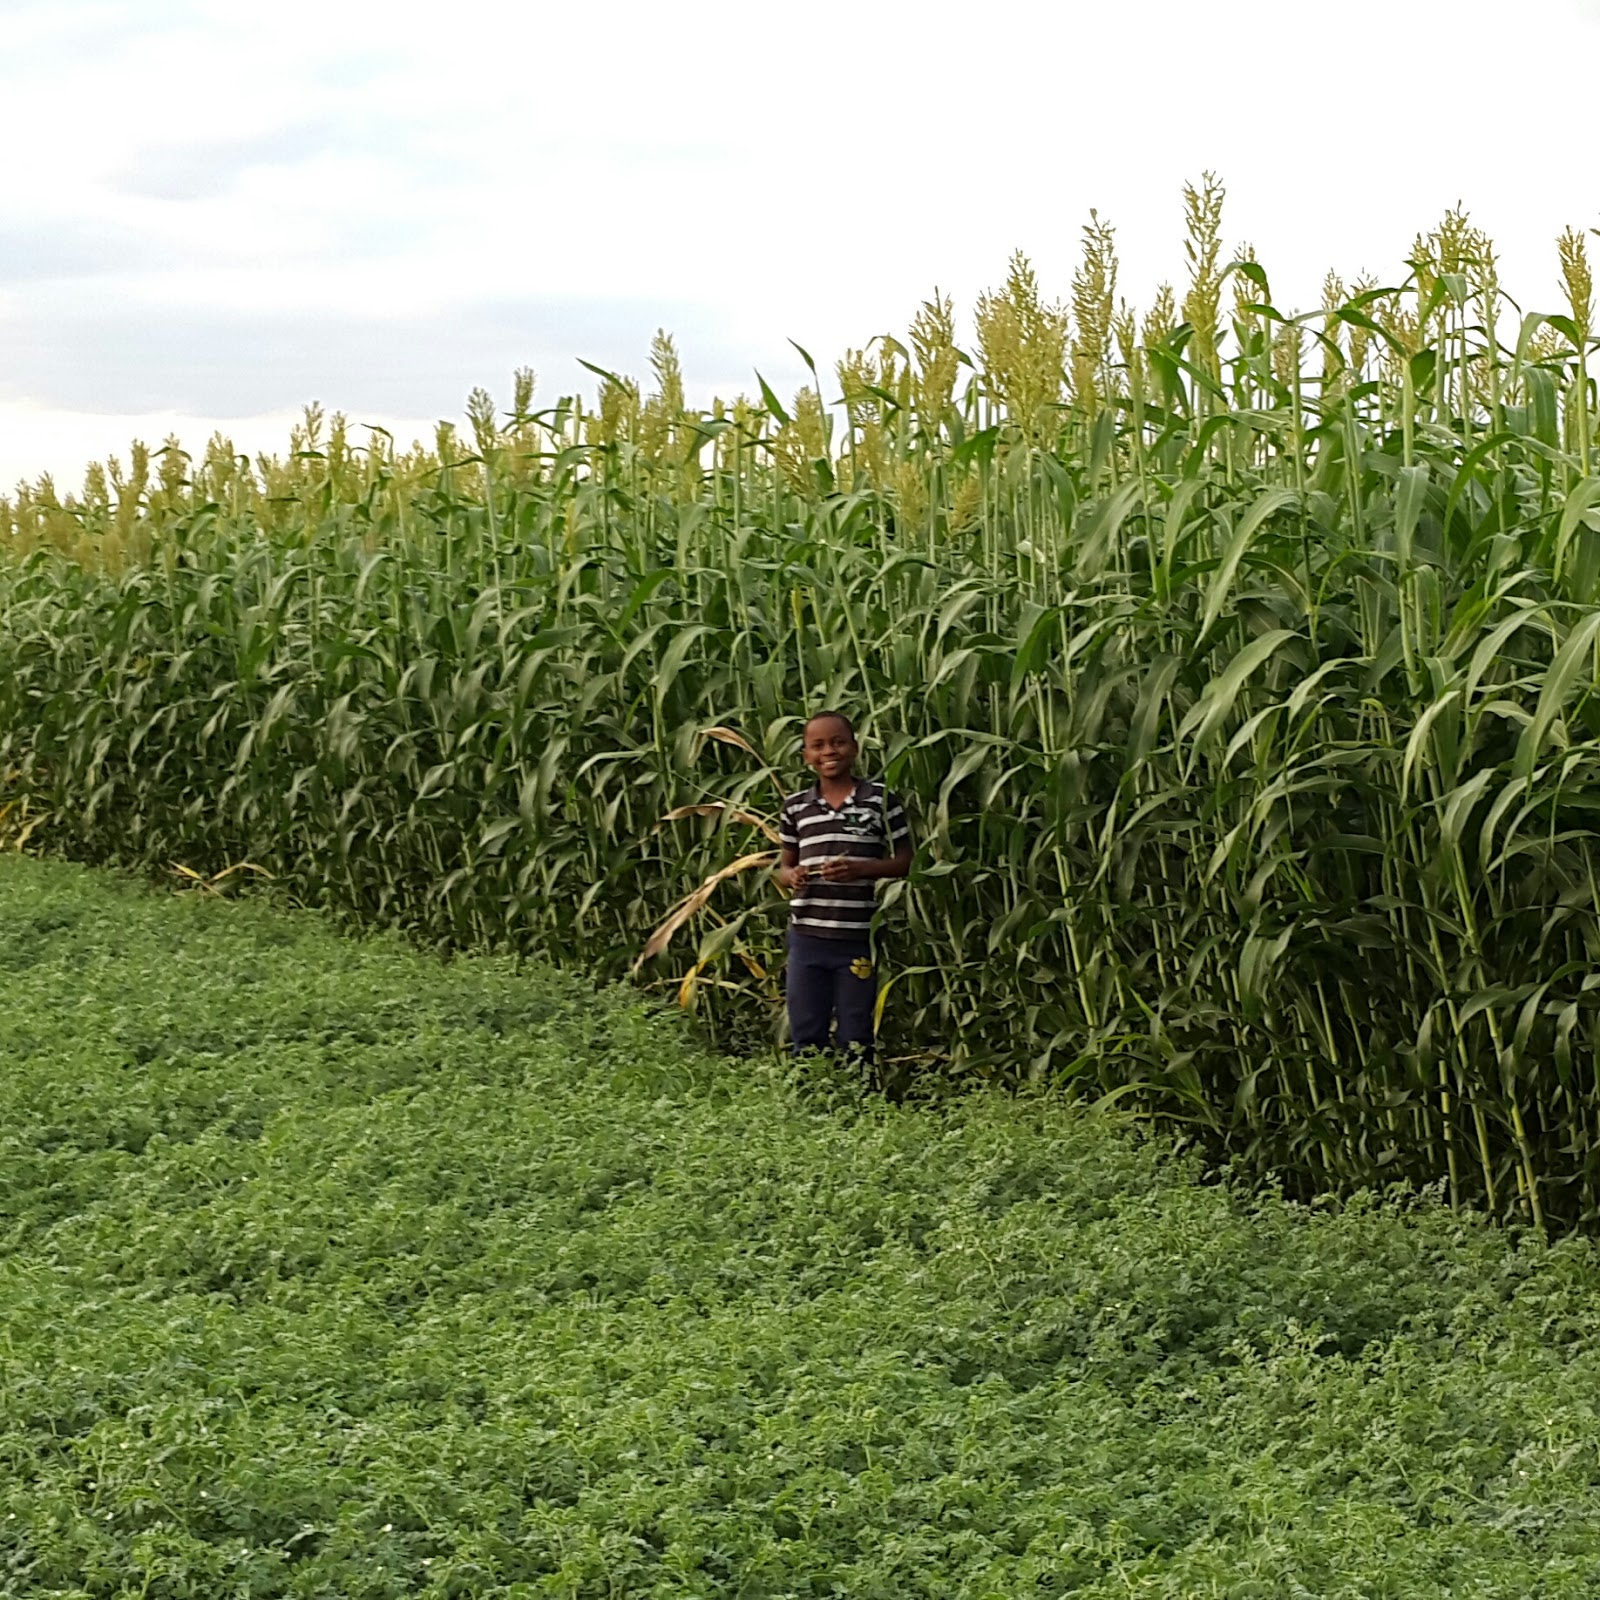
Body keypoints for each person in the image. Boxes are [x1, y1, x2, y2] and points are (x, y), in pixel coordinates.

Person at [775, 711, 912, 1061]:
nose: (828, 751)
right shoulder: (796, 807)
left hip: (856, 937)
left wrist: (860, 869)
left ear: (854, 747)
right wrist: (793, 876)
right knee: (807, 1030)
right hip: (806, 937)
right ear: (806, 756)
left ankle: (861, 1105)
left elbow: (907, 861)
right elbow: (783, 866)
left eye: (838, 742)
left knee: (855, 1032)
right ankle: (813, 1104)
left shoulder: (879, 800)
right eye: (817, 746)